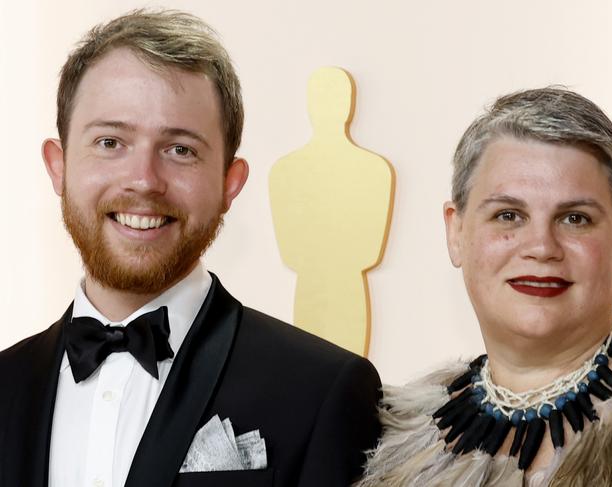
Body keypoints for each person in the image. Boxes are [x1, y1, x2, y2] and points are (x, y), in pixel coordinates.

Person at [0, 10, 381, 487]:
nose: (143, 180)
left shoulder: (323, 391)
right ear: (58, 166)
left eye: (180, 149)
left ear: (230, 182)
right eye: (110, 141)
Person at [359, 88, 612, 487]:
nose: (542, 248)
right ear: (456, 231)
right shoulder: (387, 434)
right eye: (508, 215)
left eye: (575, 219)